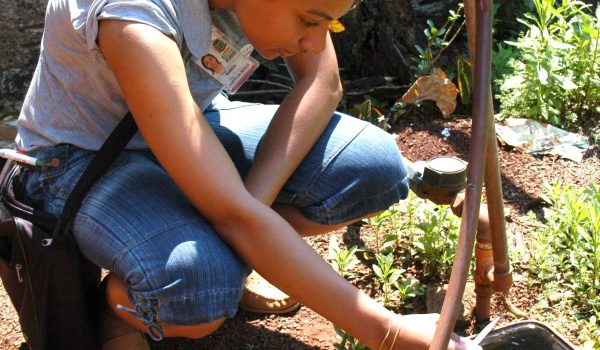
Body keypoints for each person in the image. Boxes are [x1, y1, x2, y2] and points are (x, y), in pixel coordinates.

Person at [15, 0, 481, 349]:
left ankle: (220, 249)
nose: (315, 42)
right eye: (309, 20)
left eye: (329, 24)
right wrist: (388, 333)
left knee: (373, 168)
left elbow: (323, 79)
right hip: (78, 159)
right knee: (196, 289)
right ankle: (121, 307)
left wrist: (249, 209)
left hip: (194, 124)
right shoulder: (132, 16)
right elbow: (232, 212)